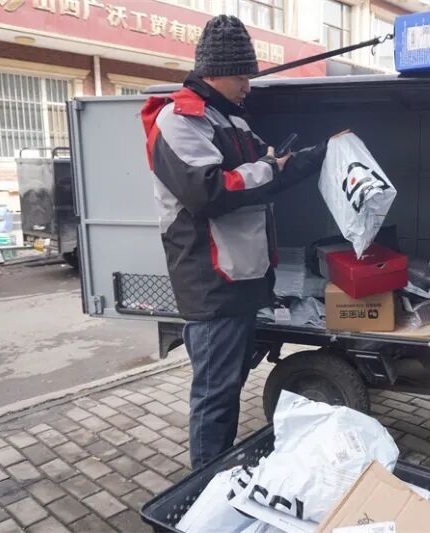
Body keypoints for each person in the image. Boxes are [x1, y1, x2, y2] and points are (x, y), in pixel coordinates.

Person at [141, 15, 330, 468]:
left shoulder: (231, 121)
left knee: (226, 388)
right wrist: (268, 168)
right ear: (216, 72)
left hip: (242, 279)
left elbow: (273, 171)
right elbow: (208, 192)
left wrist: (323, 153)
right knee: (215, 397)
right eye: (243, 76)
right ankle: (206, 489)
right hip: (212, 283)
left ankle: (219, 477)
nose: (249, 85)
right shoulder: (179, 120)